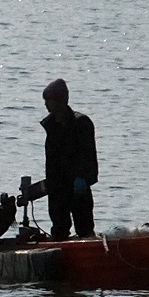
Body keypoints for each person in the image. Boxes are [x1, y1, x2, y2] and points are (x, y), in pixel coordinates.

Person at [39, 78, 98, 239]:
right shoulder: (50, 125)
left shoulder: (81, 123)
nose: (46, 105)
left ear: (60, 100)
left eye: (48, 100)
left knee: (84, 227)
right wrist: (47, 185)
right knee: (59, 228)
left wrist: (84, 179)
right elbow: (51, 161)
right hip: (57, 186)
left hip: (78, 185)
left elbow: (89, 155)